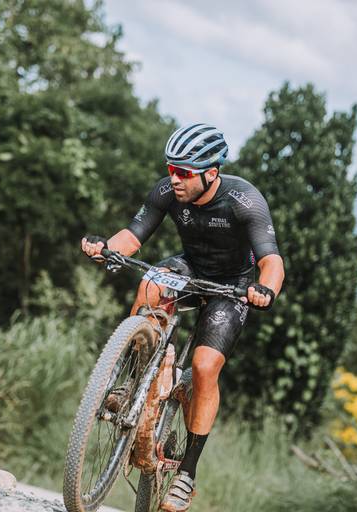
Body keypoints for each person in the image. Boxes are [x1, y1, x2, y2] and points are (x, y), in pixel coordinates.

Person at [81, 123, 284, 512]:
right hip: (190, 267)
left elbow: (271, 259)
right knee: (150, 285)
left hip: (233, 286)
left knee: (204, 368)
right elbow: (134, 235)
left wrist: (266, 289)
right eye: (171, 169)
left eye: (184, 172)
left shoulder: (245, 201)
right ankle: (134, 379)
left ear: (212, 172)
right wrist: (106, 246)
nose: (174, 178)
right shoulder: (167, 191)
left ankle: (187, 473)